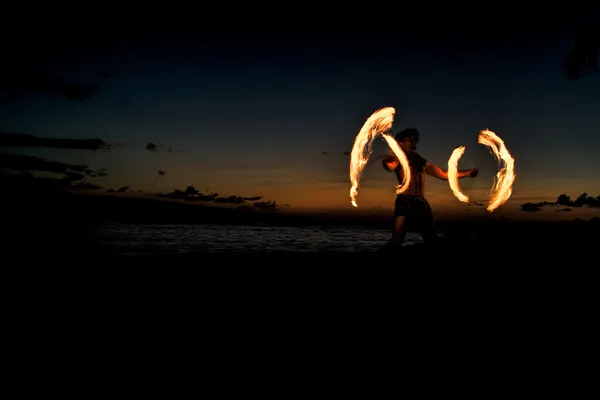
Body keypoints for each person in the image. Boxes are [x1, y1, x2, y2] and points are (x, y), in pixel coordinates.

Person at [381, 128, 478, 251]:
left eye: (415, 139)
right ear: (400, 142)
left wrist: (467, 173)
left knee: (431, 238)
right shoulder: (397, 158)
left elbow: (443, 175)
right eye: (410, 139)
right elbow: (390, 166)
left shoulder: (419, 160)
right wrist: (387, 162)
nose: (414, 141)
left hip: (420, 203)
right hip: (405, 201)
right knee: (397, 239)